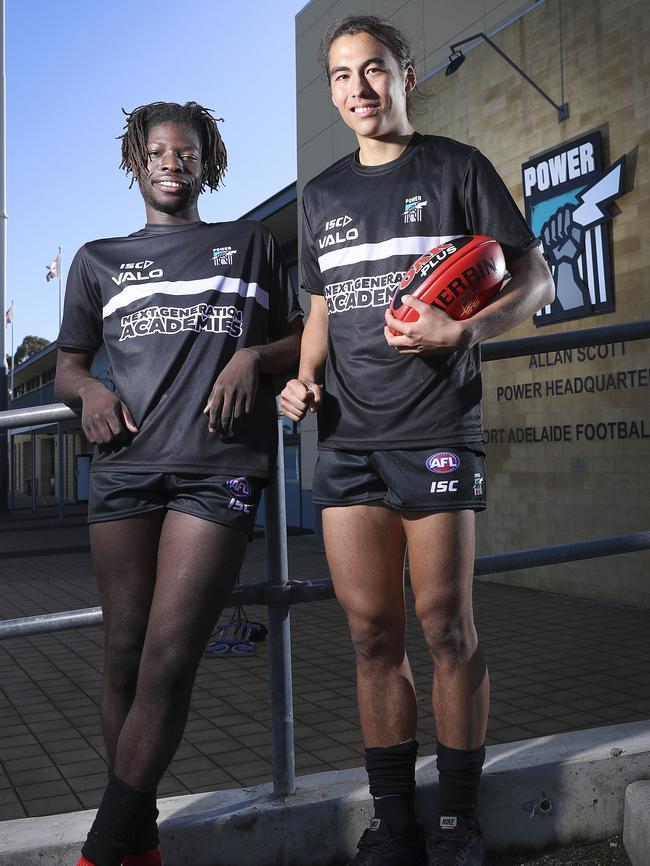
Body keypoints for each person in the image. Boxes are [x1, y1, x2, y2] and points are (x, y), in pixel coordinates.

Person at [280, 16, 554, 866]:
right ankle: (395, 823)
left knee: (445, 627)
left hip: (436, 427)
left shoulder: (457, 167)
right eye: (340, 76)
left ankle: (458, 819)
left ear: (407, 75)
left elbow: (536, 274)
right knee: (370, 636)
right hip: (347, 439)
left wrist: (462, 333)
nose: (357, 89)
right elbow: (321, 308)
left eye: (373, 71)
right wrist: (303, 375)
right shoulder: (319, 195)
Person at [55, 101, 302, 866]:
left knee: (168, 657)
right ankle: (141, 845)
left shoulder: (251, 245)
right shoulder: (98, 259)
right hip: (126, 470)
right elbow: (68, 364)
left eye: (186, 151)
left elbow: (302, 339)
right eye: (156, 150)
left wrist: (252, 359)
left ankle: (101, 851)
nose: (171, 161)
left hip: (217, 468)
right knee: (124, 655)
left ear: (207, 161)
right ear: (136, 160)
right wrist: (90, 393)